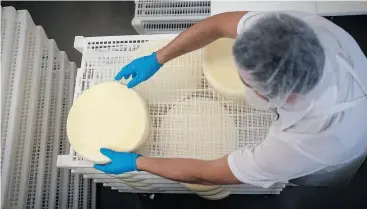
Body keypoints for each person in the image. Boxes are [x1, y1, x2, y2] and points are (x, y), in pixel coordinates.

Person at [94, 11, 367, 187]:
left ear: (285, 96)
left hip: (346, 141)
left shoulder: (304, 143)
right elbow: (218, 25)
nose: (241, 83)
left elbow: (209, 172)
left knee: (307, 177)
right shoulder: (293, 32)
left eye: (246, 83)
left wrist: (138, 162)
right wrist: (158, 57)